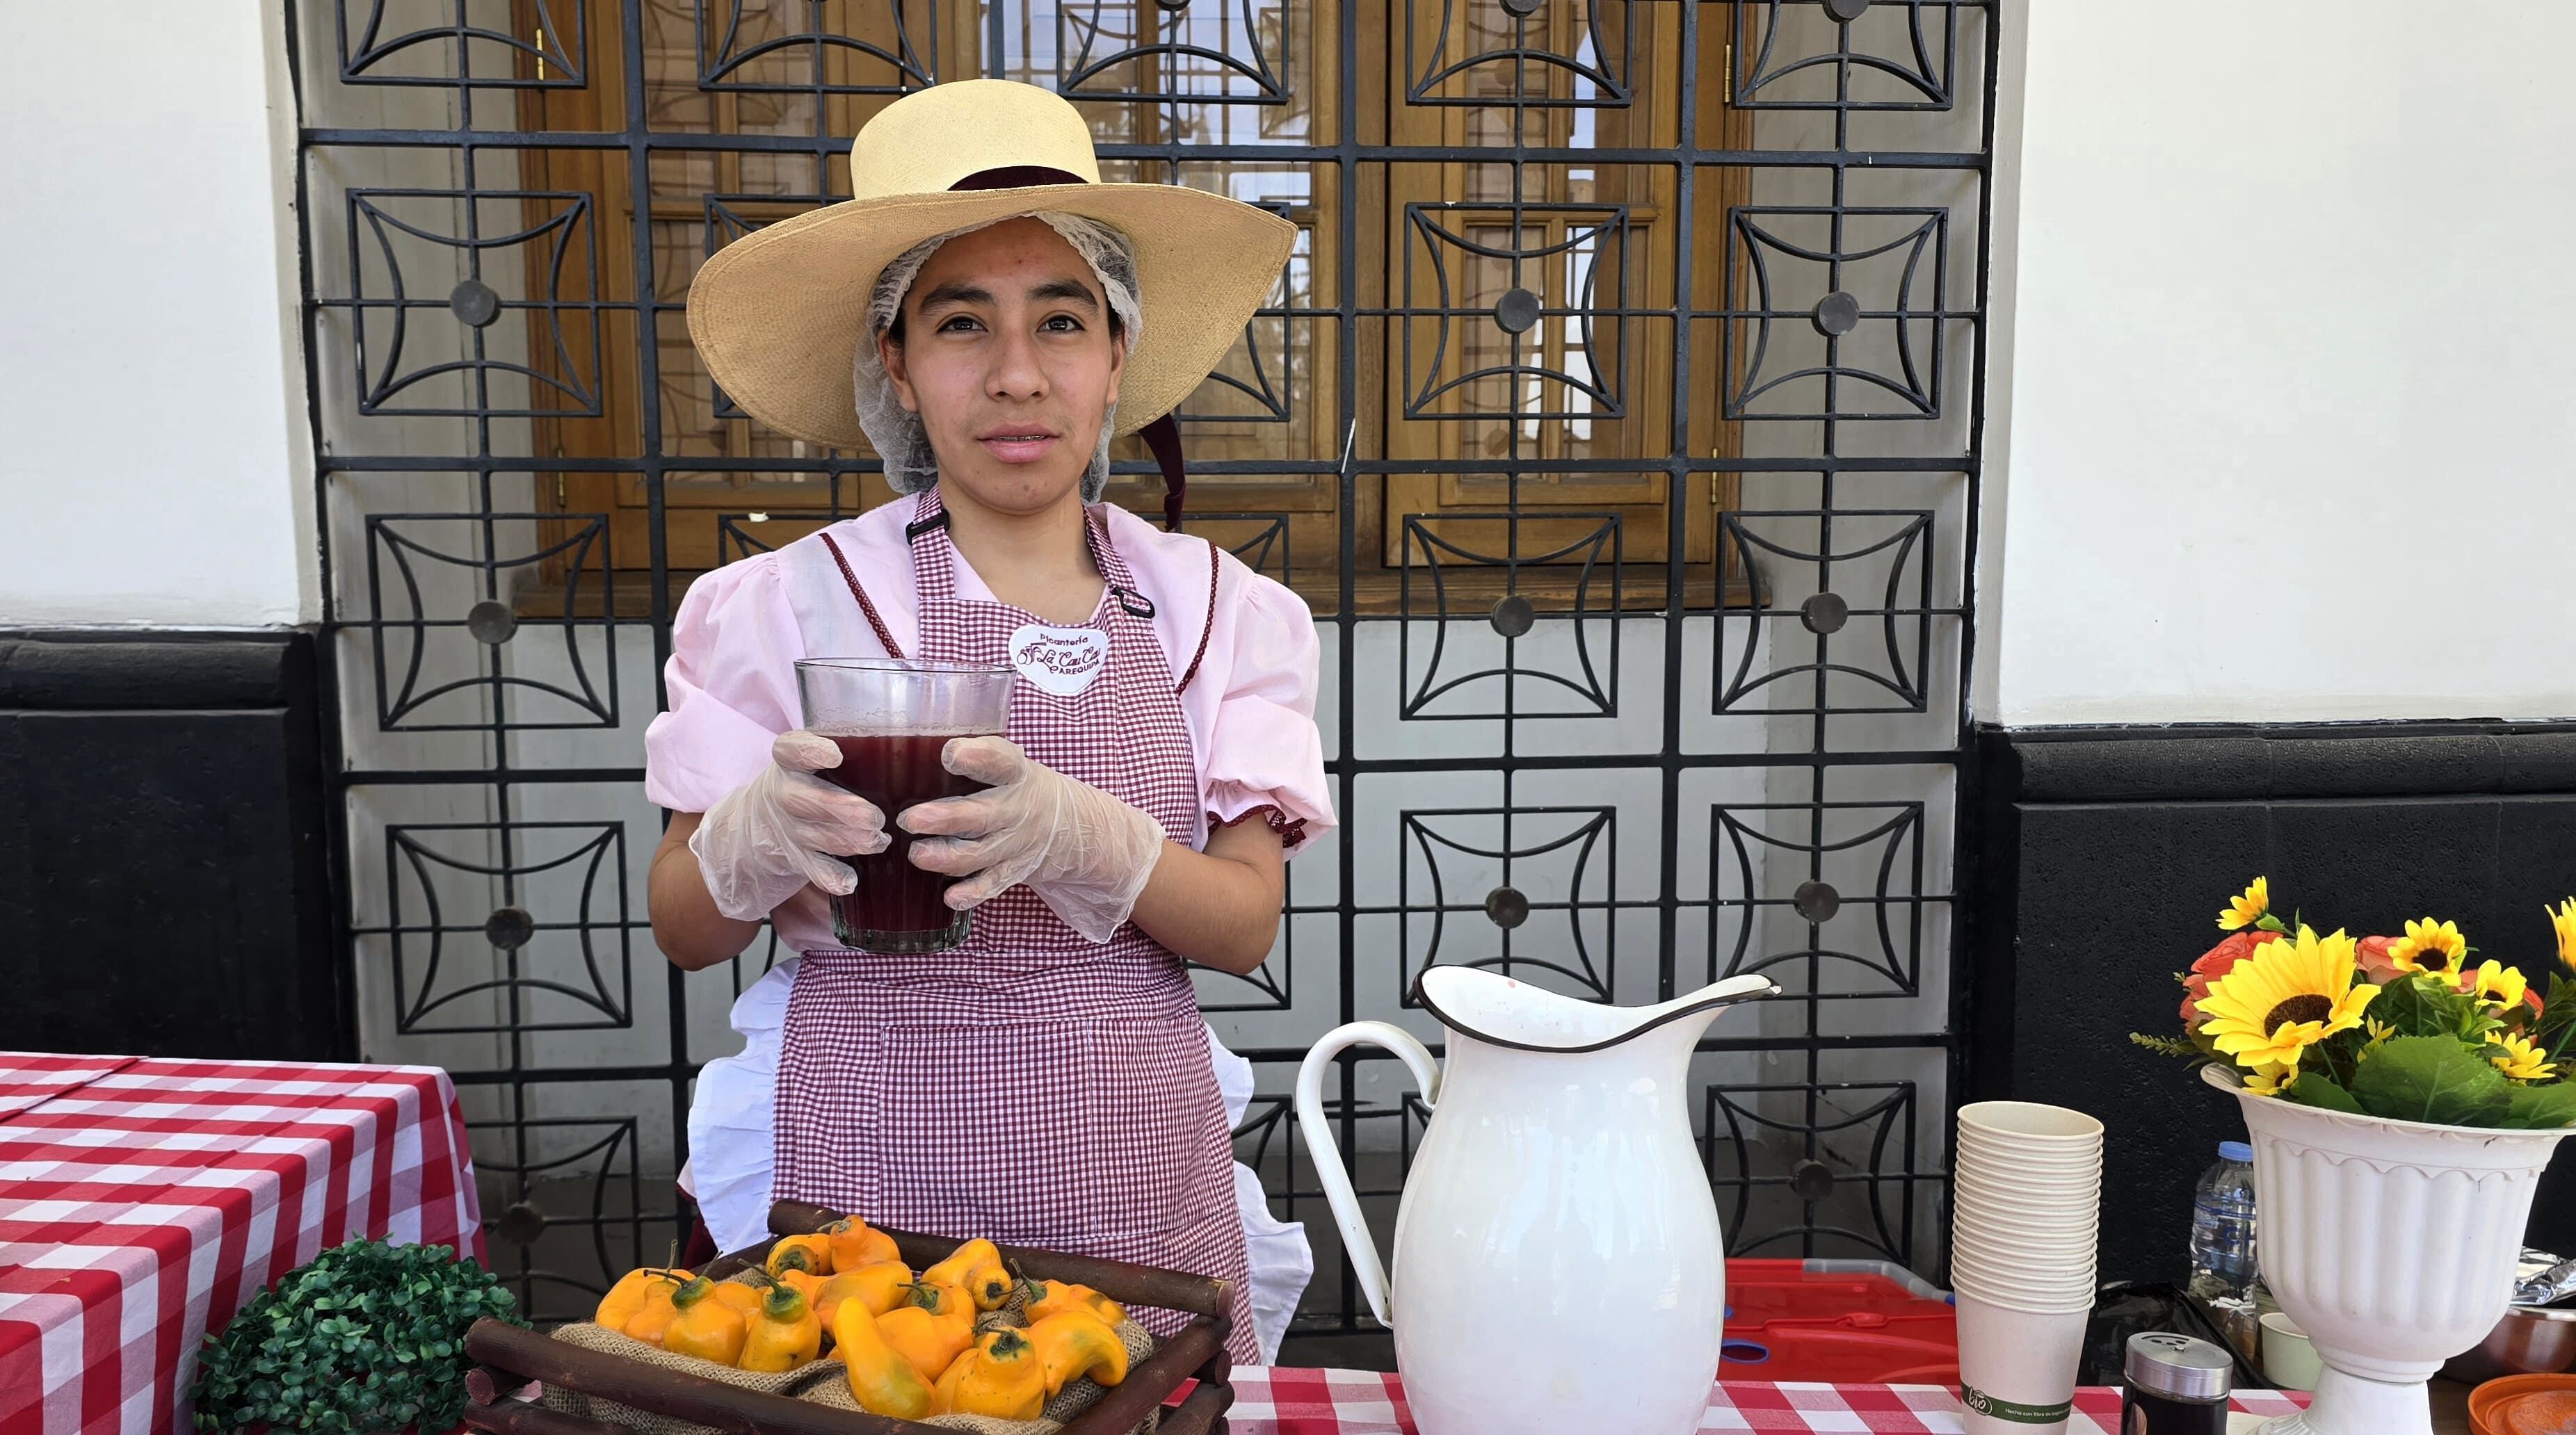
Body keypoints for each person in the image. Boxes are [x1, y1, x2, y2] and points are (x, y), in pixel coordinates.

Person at [642, 79, 1328, 1366]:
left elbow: (1242, 929)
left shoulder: (1227, 609)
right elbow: (686, 927)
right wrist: (753, 837)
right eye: (963, 324)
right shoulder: (780, 602)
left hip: (1130, 1146)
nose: (1018, 376)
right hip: (861, 1141)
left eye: (1061, 321)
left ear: (1116, 353)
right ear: (895, 363)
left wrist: (1087, 837)